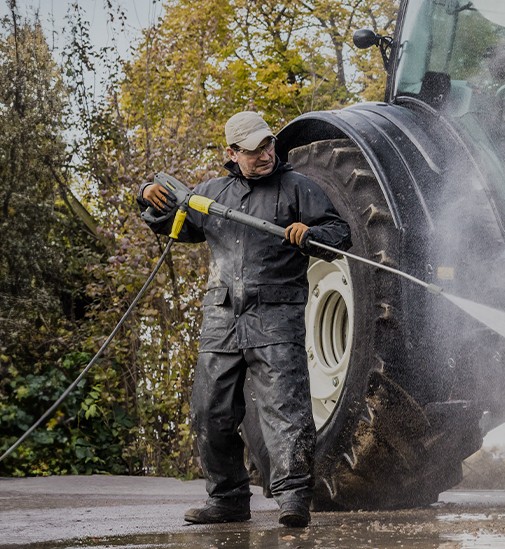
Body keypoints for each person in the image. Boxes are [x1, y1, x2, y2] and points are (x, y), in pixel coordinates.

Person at [138, 111, 350, 527]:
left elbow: (339, 234)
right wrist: (147, 194)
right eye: (253, 150)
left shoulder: (298, 188)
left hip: (276, 315)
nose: (265, 155)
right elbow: (170, 223)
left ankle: (293, 499)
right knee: (209, 411)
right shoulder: (212, 194)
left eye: (268, 145)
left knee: (284, 409)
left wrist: (310, 234)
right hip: (221, 318)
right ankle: (228, 498)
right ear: (232, 153)